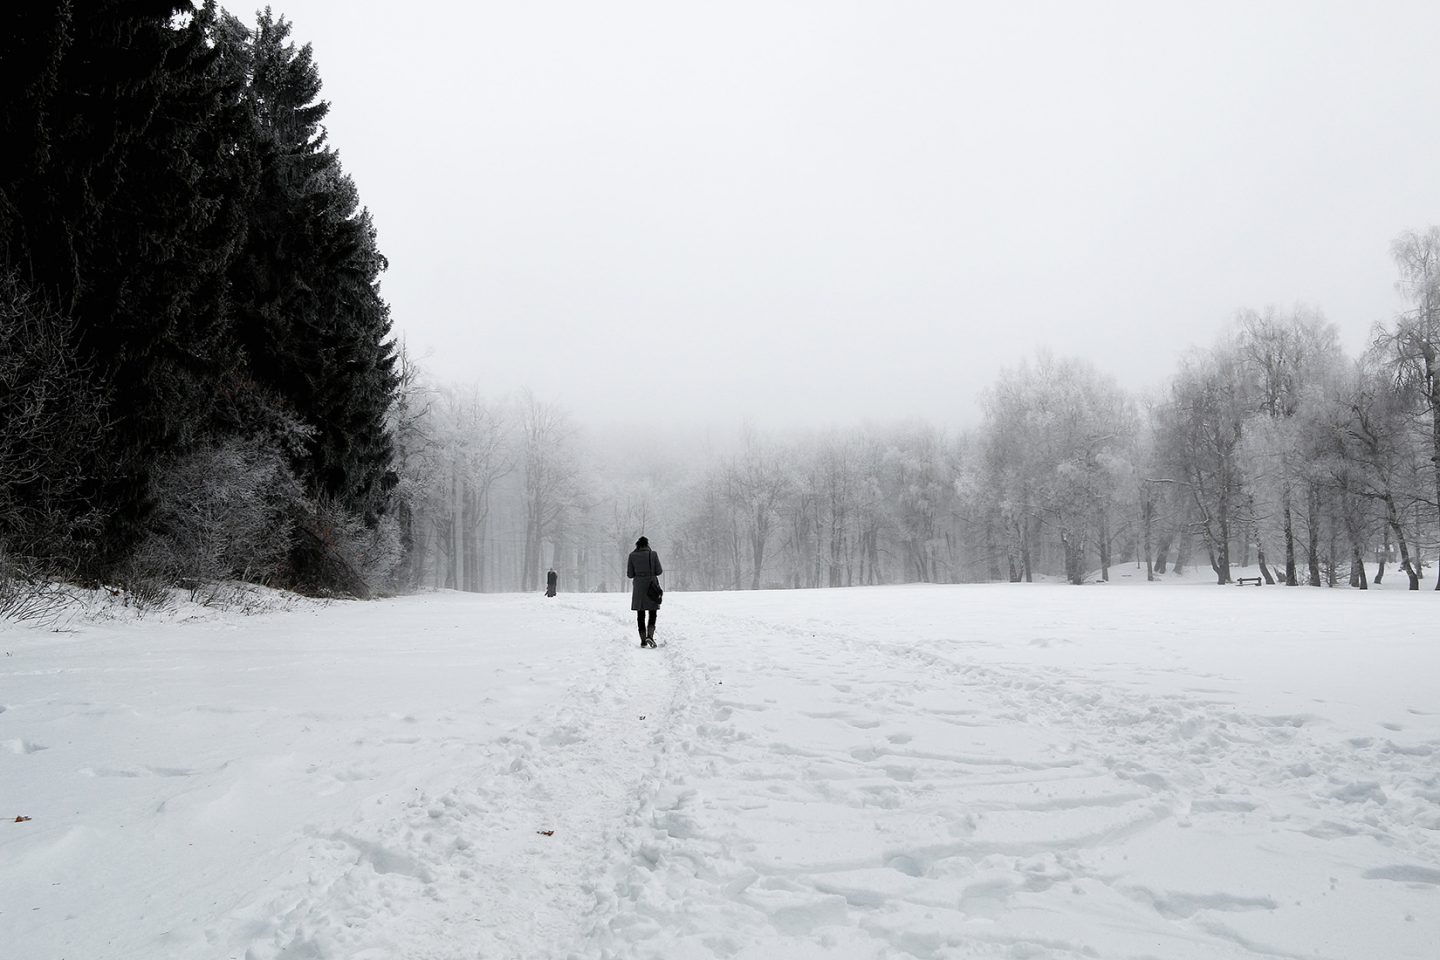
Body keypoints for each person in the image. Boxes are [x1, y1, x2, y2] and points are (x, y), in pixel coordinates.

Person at [626, 536, 662, 647]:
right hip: (651, 585)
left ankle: (642, 640)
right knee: (652, 612)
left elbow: (630, 574)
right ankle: (650, 636)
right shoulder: (653, 554)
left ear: (637, 545)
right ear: (647, 544)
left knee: (640, 613)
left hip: (639, 588)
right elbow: (659, 571)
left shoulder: (632, 556)